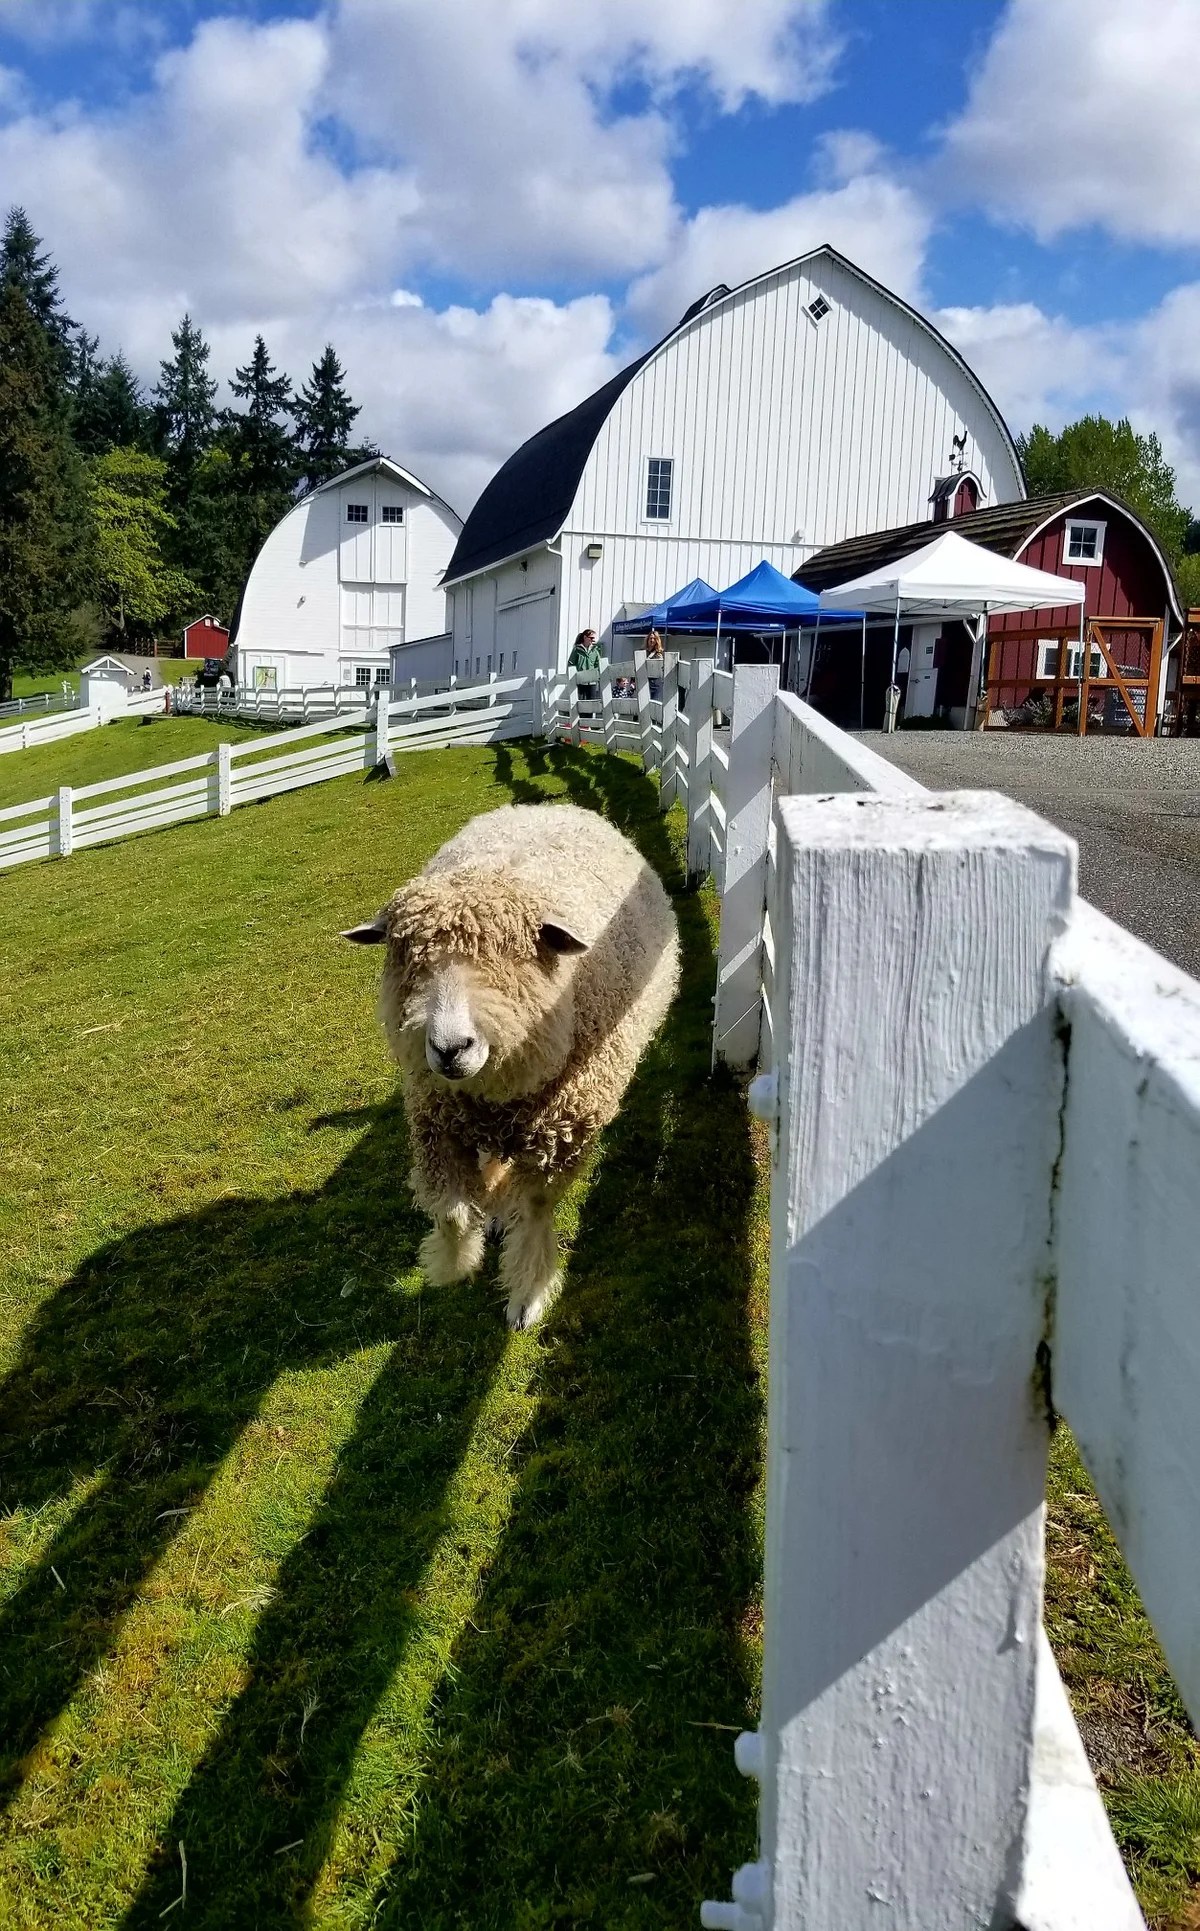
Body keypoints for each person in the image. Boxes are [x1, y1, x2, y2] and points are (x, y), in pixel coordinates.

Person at [567, 627, 603, 706]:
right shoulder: (577, 650)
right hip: (580, 680)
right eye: (591, 638)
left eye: (594, 638)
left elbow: (598, 664)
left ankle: (590, 714)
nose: (593, 640)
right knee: (580, 703)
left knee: (591, 703)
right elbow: (571, 664)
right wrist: (572, 677)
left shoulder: (595, 650)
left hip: (592, 681)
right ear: (585, 637)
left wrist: (597, 675)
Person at [644, 627, 665, 703]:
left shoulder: (660, 653)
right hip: (644, 682)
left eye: (654, 638)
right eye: (650, 638)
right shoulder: (642, 652)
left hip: (656, 683)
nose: (652, 640)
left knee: (655, 702)